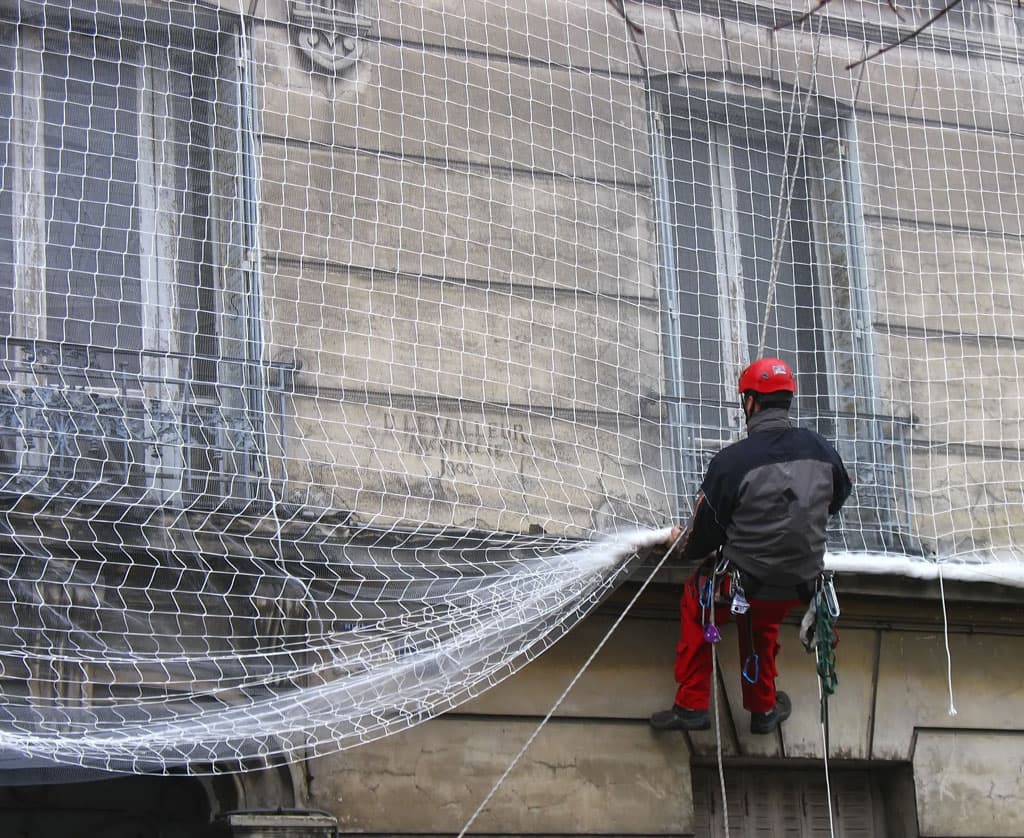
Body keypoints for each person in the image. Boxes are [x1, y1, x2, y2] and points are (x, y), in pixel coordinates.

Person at [650, 357, 852, 735]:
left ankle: (692, 704)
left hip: (744, 581)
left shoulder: (732, 462)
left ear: (750, 403)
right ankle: (762, 709)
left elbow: (705, 535)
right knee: (761, 626)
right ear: (788, 399)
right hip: (798, 583)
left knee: (697, 603)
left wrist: (683, 543)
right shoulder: (822, 450)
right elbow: (838, 495)